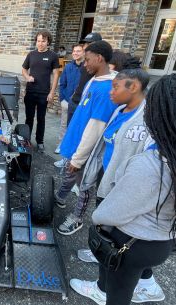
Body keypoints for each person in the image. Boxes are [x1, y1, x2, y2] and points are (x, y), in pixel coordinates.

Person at [66, 73, 176, 305]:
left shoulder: (150, 166)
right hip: (160, 240)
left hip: (131, 244)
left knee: (118, 300)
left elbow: (110, 214)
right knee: (122, 296)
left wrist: (97, 216)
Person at [73, 65, 166, 304]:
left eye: (115, 87)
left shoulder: (148, 120)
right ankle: (144, 283)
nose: (110, 91)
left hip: (124, 188)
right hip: (109, 180)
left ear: (133, 87)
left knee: (117, 239)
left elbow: (149, 164)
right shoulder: (121, 110)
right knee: (109, 234)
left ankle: (103, 291)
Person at [55, 40, 118, 235]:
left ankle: (77, 218)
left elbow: (96, 129)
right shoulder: (94, 80)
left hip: (87, 149)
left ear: (99, 59)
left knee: (85, 184)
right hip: (74, 140)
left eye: (88, 59)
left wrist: (79, 157)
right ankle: (61, 196)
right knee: (68, 173)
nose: (84, 64)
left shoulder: (108, 89)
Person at [22, 29, 60, 152]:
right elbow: (24, 69)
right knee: (29, 118)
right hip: (31, 91)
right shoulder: (31, 54)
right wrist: (27, 77)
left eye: (43, 41)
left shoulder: (53, 56)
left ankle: (40, 142)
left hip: (44, 93)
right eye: (38, 41)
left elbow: (56, 74)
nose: (40, 43)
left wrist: (52, 92)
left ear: (48, 42)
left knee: (41, 118)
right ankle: (26, 140)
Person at [56, 44, 85, 154]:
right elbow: (62, 83)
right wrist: (62, 99)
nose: (75, 53)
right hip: (67, 102)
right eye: (74, 51)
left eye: (78, 51)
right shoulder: (68, 67)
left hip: (80, 103)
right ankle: (61, 145)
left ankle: (74, 149)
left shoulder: (86, 68)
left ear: (83, 53)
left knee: (76, 126)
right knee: (64, 125)